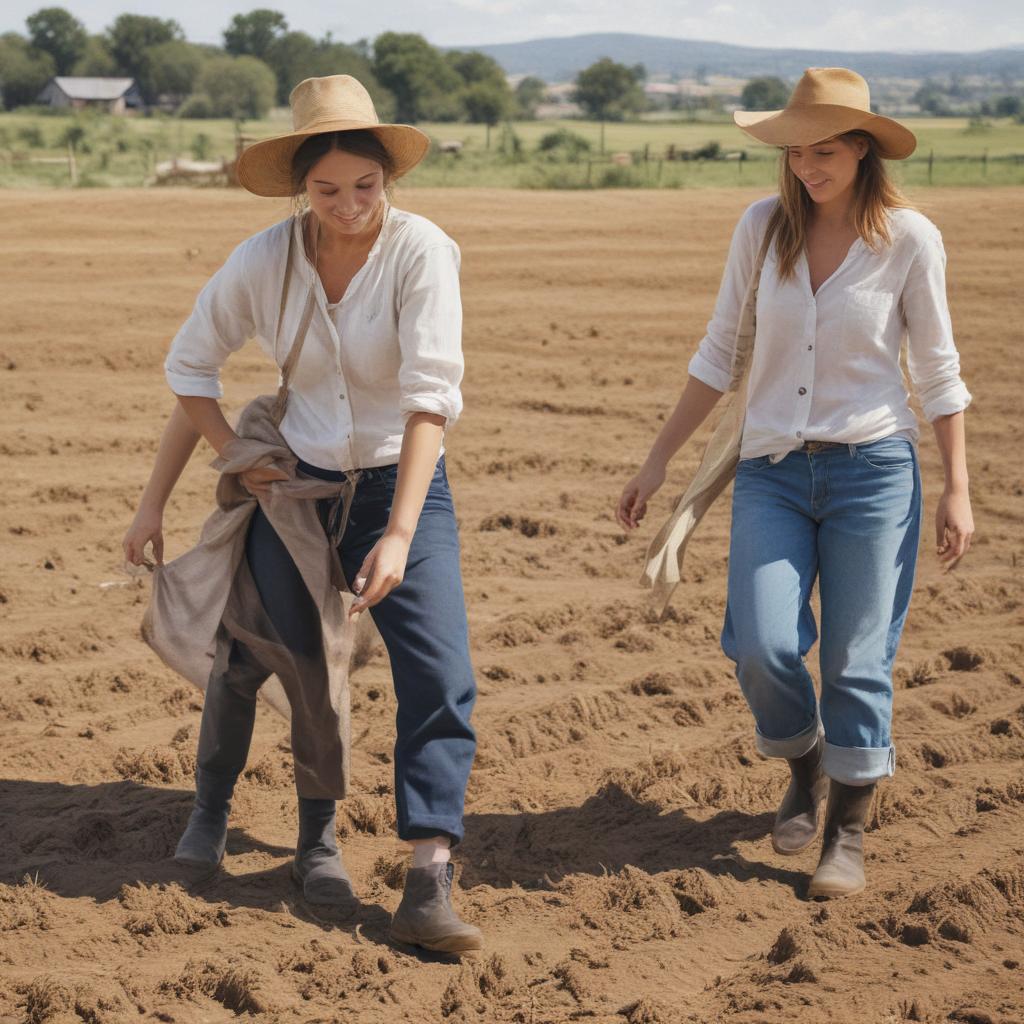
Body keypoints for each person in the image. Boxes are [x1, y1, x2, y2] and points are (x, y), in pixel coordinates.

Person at [123, 75, 481, 952]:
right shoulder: (264, 260)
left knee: (439, 670)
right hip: (299, 493)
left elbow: (430, 400)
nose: (351, 205)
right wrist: (239, 464)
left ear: (388, 178)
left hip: (403, 486)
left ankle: (429, 876)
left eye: (367, 185)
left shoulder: (422, 251)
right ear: (300, 188)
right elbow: (190, 368)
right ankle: (310, 843)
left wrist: (399, 533)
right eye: (329, 190)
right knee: (289, 662)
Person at [617, 68, 973, 898]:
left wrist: (957, 486)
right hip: (772, 472)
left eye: (825, 149)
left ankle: (844, 830)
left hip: (873, 473)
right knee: (764, 645)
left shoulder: (910, 240)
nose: (807, 165)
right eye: (797, 150)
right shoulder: (762, 229)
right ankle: (806, 761)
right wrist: (658, 458)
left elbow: (941, 371)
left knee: (856, 659)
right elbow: (719, 354)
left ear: (861, 148)